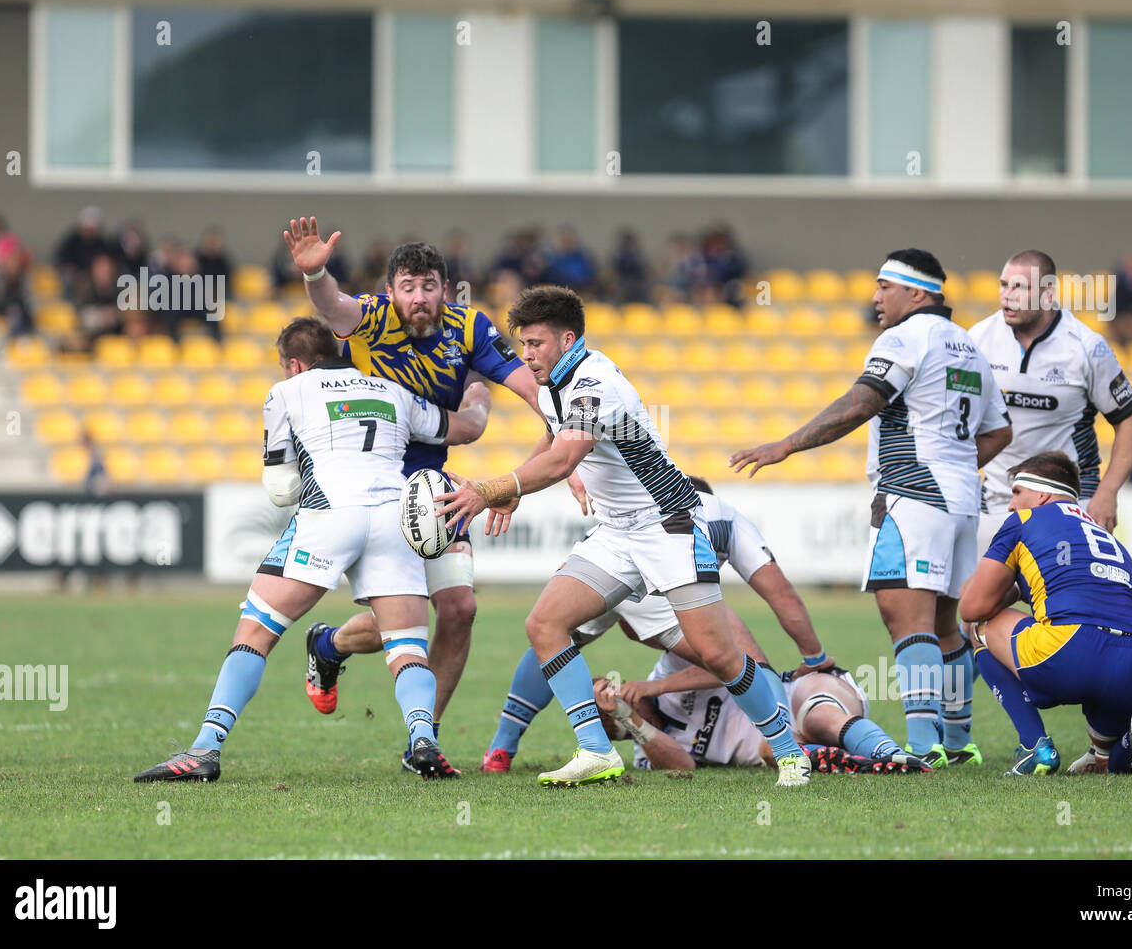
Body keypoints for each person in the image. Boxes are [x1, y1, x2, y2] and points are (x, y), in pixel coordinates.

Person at [435, 284, 812, 787]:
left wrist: (492, 487)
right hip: (616, 532)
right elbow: (553, 434)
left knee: (718, 653)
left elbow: (567, 456)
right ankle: (595, 749)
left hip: (668, 524)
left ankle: (790, 751)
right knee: (545, 623)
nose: (527, 355)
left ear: (568, 339)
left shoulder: (594, 381)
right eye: (522, 344)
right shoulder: (555, 381)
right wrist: (518, 487)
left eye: (537, 344)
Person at [283, 218, 583, 770]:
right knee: (404, 621)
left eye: (428, 287)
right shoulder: (371, 318)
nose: (418, 298)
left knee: (460, 607)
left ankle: (426, 739)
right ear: (391, 291)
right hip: (370, 486)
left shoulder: (468, 328)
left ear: (444, 289)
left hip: (429, 488)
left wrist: (569, 448)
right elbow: (333, 308)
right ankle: (327, 646)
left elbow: (528, 385)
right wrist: (316, 272)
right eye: (408, 287)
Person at [133, 318, 484, 782]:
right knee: (407, 648)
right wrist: (479, 388)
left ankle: (204, 751)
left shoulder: (287, 392)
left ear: (294, 364)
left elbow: (280, 488)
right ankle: (423, 741)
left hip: (329, 515)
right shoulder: (392, 390)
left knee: (256, 632)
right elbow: (462, 428)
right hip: (393, 518)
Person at [731, 248, 1013, 768]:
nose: (876, 297)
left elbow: (862, 402)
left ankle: (925, 744)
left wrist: (785, 446)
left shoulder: (906, 336)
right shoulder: (970, 346)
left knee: (907, 620)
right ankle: (958, 742)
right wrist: (952, 460)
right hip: (961, 500)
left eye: (886, 286)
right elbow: (1000, 429)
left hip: (914, 494)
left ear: (919, 293)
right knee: (947, 625)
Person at [480, 476, 836, 772]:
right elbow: (782, 596)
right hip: (662, 564)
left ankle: (502, 749)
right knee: (740, 658)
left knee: (550, 631)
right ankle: (786, 746)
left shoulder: (651, 492)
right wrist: (815, 657)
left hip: (605, 557)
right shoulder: (724, 517)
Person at [958, 450, 1132, 778]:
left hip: (1070, 652)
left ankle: (1034, 747)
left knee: (978, 626)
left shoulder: (1023, 521)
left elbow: (971, 606)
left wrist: (1013, 584)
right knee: (1108, 763)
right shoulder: (1105, 534)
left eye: (1016, 493)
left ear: (1041, 495)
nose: (1011, 504)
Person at [970, 249, 1132, 542]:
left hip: (1069, 502)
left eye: (1020, 287)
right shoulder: (978, 339)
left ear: (1047, 293)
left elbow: (1131, 426)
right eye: (1004, 285)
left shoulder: (1087, 347)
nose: (1007, 296)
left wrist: (1108, 492)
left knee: (1058, 589)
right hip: (997, 503)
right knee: (979, 590)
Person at [594, 660, 929, 774]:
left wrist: (657, 686)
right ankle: (858, 762)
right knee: (774, 752)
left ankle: (890, 753)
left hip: (799, 693)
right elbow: (683, 766)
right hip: (781, 746)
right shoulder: (649, 749)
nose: (617, 707)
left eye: (611, 693)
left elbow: (730, 660)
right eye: (608, 719)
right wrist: (629, 720)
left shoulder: (666, 671)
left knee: (817, 720)